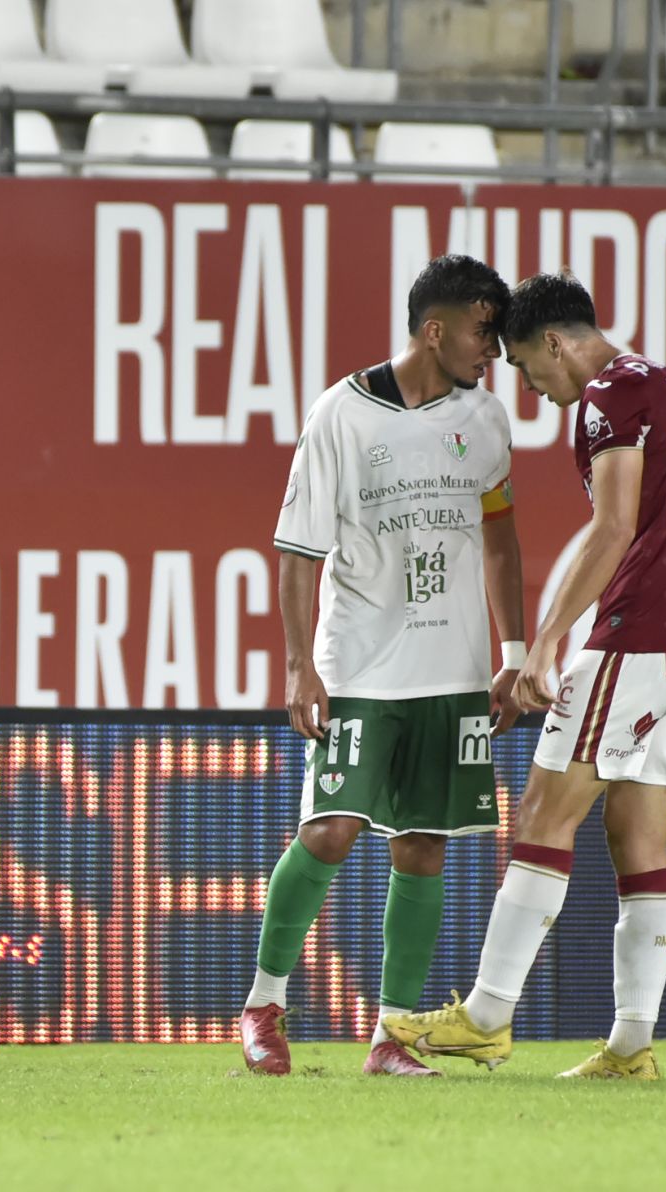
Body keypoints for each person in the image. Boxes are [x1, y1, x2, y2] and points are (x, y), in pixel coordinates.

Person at [382, 271, 666, 1081]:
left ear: (553, 343)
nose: (530, 388)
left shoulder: (607, 397)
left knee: (544, 811)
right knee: (637, 835)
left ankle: (485, 1016)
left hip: (642, 633)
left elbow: (612, 526)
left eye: (522, 365)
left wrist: (545, 643)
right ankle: (630, 1048)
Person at [241, 255, 527, 1077]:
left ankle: (391, 1038)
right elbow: (298, 550)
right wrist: (301, 667)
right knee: (330, 831)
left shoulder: (488, 420)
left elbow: (501, 537)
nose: (494, 351)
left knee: (424, 849)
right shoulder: (340, 413)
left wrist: (510, 655)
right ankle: (263, 1004)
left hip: (456, 669)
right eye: (482, 332)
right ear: (433, 330)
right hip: (362, 666)